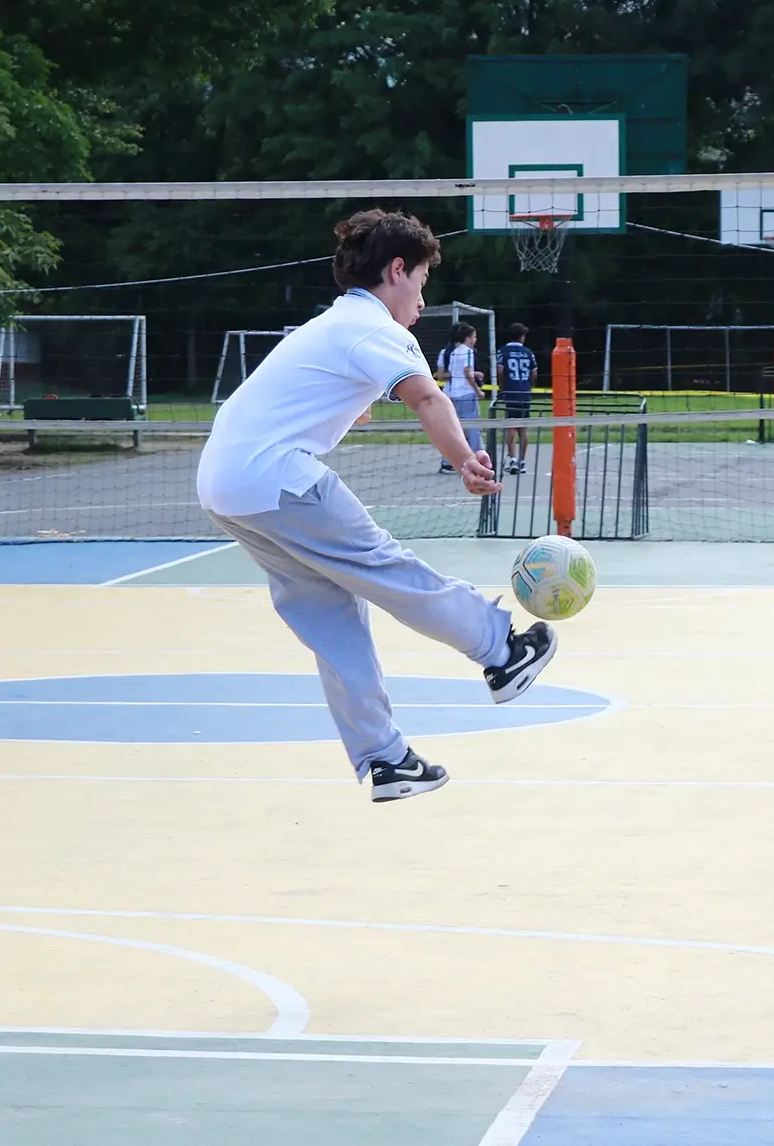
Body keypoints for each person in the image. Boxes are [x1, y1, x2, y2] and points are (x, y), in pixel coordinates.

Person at [196, 210, 558, 803]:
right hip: (276, 478)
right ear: (397, 270)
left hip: (224, 487)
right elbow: (427, 398)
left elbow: (338, 400)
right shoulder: (374, 327)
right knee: (383, 567)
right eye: (420, 281)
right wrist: (467, 457)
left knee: (333, 618)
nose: (421, 297)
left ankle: (386, 759)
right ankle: (502, 650)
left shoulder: (330, 326)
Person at [437, 323, 484, 473]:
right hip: (465, 393)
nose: (475, 340)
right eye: (474, 336)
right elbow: (466, 372)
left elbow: (445, 374)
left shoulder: (449, 352)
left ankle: (448, 461)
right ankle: (478, 460)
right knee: (473, 428)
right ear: (468, 338)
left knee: (453, 429)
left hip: (450, 394)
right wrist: (478, 390)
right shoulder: (467, 352)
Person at [496, 323, 538, 474]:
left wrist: (503, 386)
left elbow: (500, 370)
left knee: (510, 426)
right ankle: (522, 461)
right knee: (523, 427)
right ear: (522, 336)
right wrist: (528, 385)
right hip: (524, 392)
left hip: (511, 391)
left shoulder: (504, 351)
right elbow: (534, 373)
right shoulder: (528, 352)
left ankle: (512, 458)